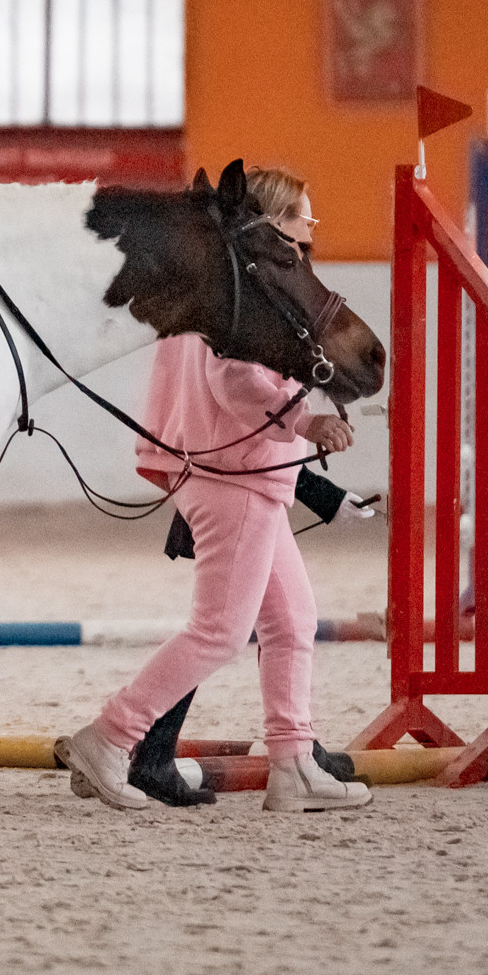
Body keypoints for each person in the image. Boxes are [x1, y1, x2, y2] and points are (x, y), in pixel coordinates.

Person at [57, 167, 372, 813]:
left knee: (291, 622)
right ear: (278, 221)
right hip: (235, 476)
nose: (312, 229)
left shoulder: (233, 281)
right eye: (304, 217)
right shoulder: (249, 286)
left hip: (243, 474)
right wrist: (305, 421)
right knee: (220, 633)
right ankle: (112, 735)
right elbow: (237, 385)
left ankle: (293, 762)